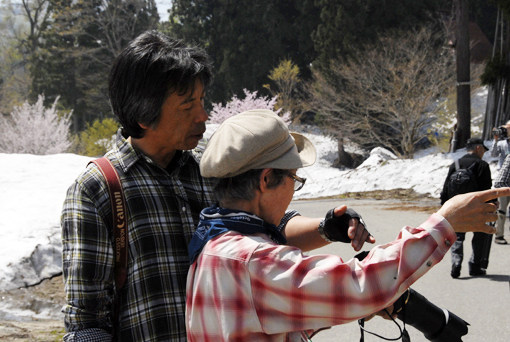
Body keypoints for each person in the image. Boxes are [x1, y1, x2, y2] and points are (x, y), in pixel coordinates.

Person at [61, 31, 372, 341]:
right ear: (144, 115)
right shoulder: (99, 190)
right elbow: (87, 322)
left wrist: (326, 227)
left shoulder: (206, 168)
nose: (203, 116)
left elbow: (262, 234)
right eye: (187, 106)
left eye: (202, 100)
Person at [185, 110, 505, 341]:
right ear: (267, 179)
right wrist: (444, 223)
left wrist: (335, 308)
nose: (293, 191)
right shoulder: (251, 261)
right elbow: (358, 283)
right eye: (294, 180)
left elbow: (262, 321)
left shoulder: (211, 246)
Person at [440, 137, 493, 278]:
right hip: (477, 208)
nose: (483, 153)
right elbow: (486, 190)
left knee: (457, 236)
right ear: (478, 148)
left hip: (456, 207)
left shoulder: (455, 164)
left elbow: (445, 189)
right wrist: (492, 205)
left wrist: (444, 207)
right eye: (483, 150)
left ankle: (456, 264)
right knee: (479, 236)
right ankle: (475, 266)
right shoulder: (482, 165)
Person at [490, 121, 510, 244]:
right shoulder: (502, 143)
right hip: (503, 178)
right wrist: (495, 140)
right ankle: (499, 235)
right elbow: (493, 154)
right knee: (501, 209)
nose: (506, 130)